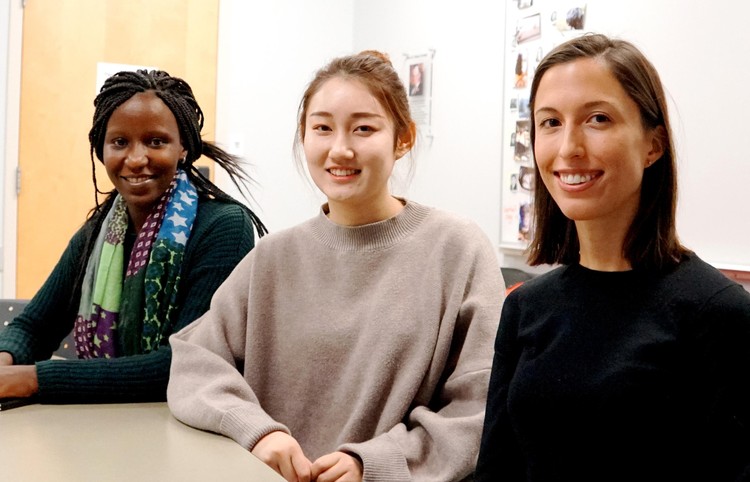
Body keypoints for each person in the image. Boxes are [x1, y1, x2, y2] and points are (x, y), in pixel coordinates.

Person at [167, 51, 504, 482]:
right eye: (322, 128)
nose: (339, 149)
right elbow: (195, 361)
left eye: (364, 128)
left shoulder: (456, 248)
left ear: (404, 138)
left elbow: (481, 405)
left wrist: (376, 462)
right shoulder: (273, 258)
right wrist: (258, 433)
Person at [476, 34, 750, 481]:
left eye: (597, 119)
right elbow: (496, 469)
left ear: (653, 145)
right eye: (549, 122)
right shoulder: (526, 307)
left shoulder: (717, 313)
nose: (568, 148)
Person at [0, 69, 266, 404]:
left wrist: (32, 379)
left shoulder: (224, 228)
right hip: (105, 424)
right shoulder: (99, 231)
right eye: (120, 142)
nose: (136, 159)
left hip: (186, 428)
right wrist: (5, 362)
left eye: (156, 141)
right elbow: (33, 326)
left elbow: (182, 363)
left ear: (183, 147)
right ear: (102, 150)